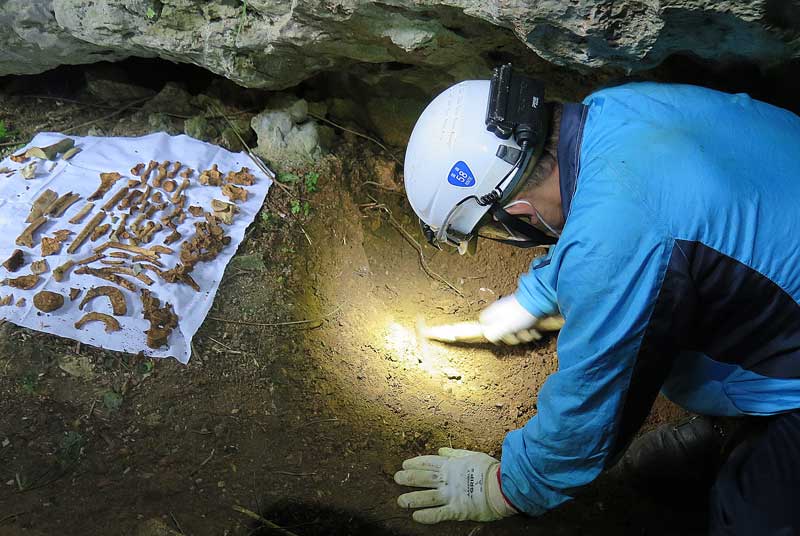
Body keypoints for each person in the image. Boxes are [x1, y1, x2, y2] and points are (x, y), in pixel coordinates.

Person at [393, 73, 800, 534]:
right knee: (675, 290)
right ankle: (730, 431)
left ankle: (754, 447)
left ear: (520, 214)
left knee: (749, 520)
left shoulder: (616, 241)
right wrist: (538, 296)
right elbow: (634, 209)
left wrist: (508, 486)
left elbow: (595, 398)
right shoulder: (612, 110)